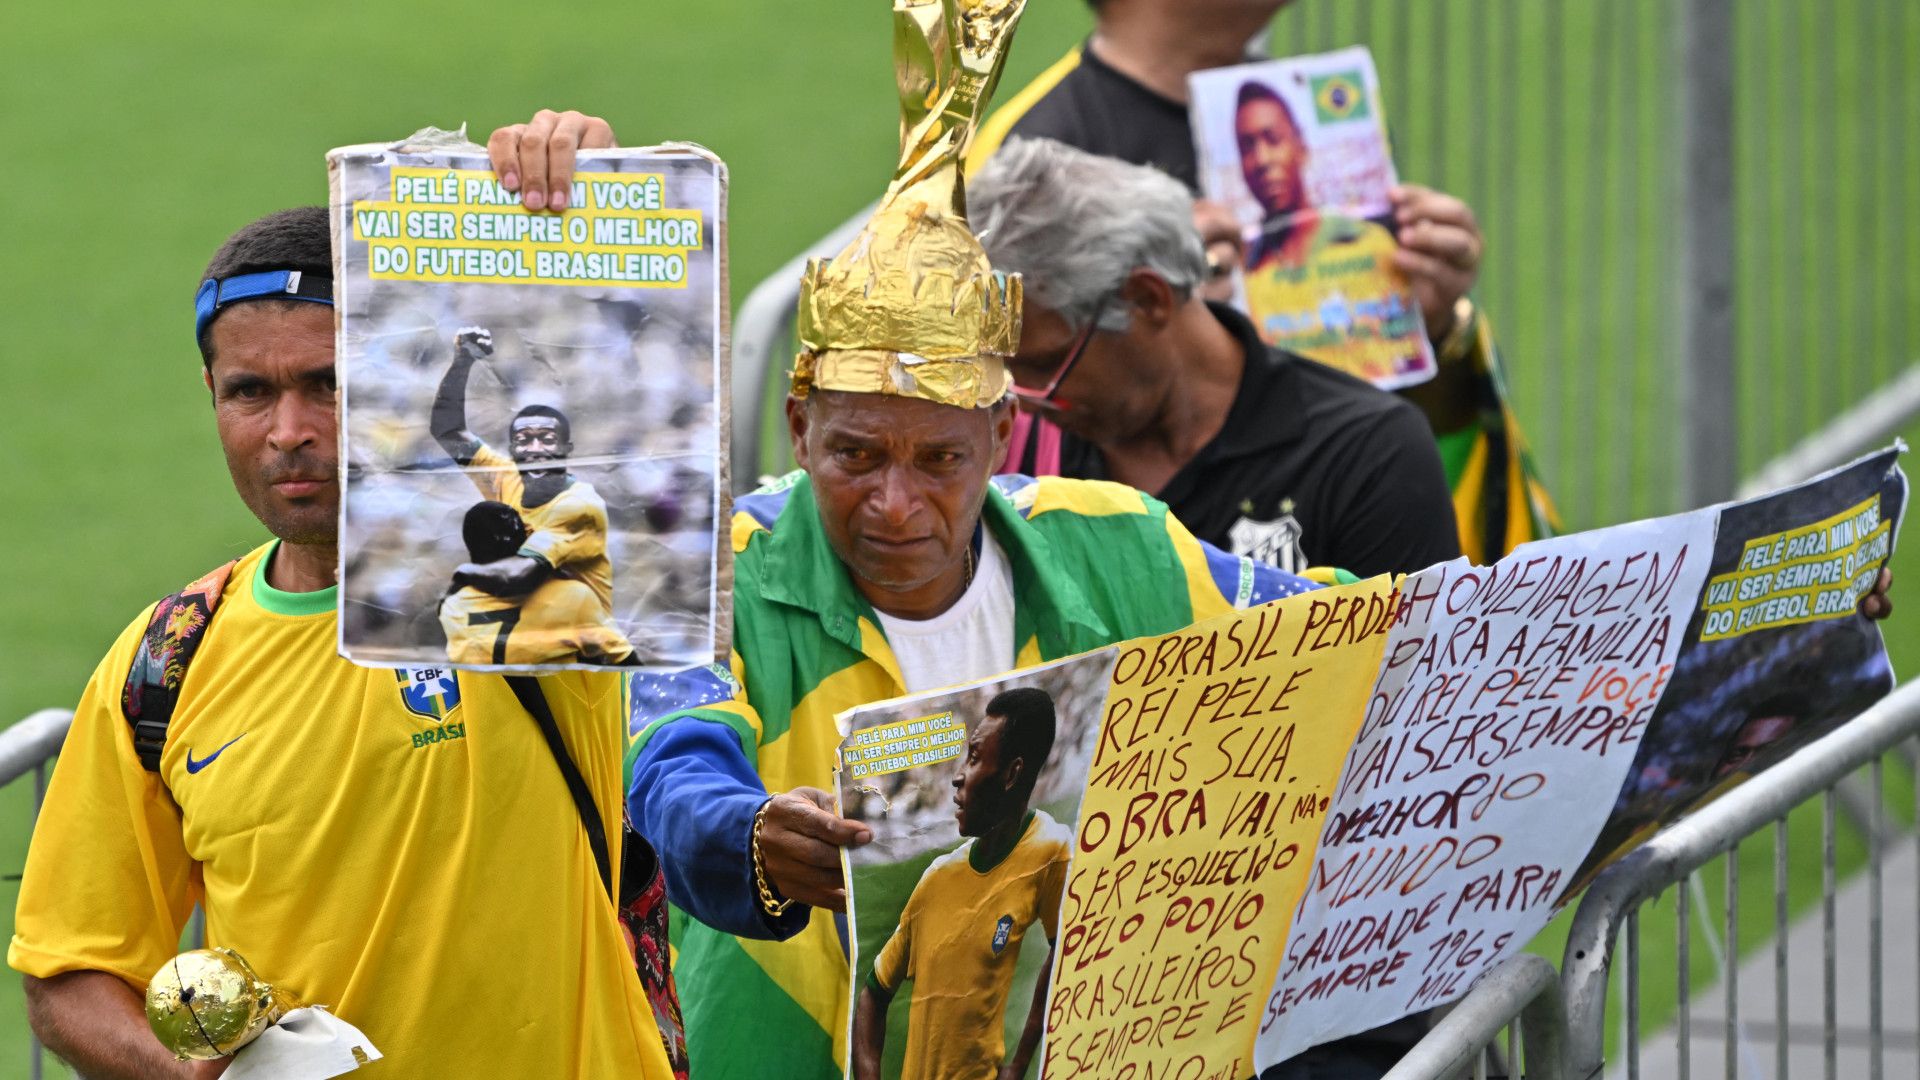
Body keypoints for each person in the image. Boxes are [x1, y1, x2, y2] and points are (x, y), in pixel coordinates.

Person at [10, 207, 675, 1078]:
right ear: (211, 395)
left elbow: (622, 381)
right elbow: (70, 974)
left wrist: (566, 192)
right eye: (252, 390)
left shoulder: (539, 587)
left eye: (328, 385)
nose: (289, 430)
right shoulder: (168, 660)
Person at [965, 0, 1559, 565]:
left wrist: (1431, 328)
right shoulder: (1024, 159)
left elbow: (1394, 416)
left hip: (1351, 519)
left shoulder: (1297, 109)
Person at [972, 137, 1459, 577]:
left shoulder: (1367, 456)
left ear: (1147, 299)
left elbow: (1409, 672)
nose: (1021, 400)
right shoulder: (1013, 450)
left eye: (1043, 364)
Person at [852, 687, 1070, 1080]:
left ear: (1013, 774)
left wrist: (1019, 1064)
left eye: (973, 758)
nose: (957, 777)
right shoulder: (936, 879)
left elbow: (1068, 949)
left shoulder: (1051, 849)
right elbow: (874, 994)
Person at [431, 325, 616, 614]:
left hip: (577, 642)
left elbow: (521, 575)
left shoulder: (579, 506)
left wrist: (464, 575)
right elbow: (448, 431)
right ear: (513, 449)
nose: (535, 449)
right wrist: (462, 362)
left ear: (568, 449)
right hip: (521, 632)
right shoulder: (506, 476)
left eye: (547, 440)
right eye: (524, 440)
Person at [440, 500, 638, 665]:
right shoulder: (572, 597)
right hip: (562, 709)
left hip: (487, 708)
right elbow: (628, 664)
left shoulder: (452, 606)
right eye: (523, 526)